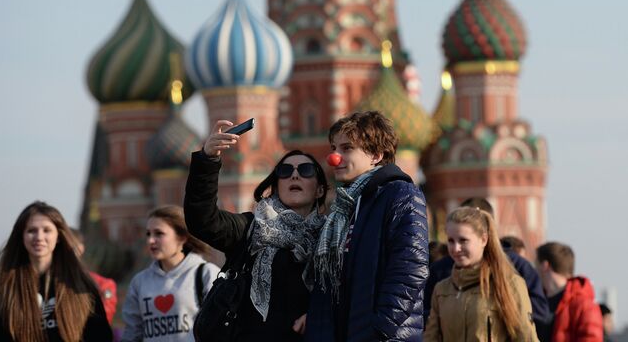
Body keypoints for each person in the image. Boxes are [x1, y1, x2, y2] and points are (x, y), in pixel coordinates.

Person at [184, 120, 329, 342]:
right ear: (275, 186)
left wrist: (321, 314)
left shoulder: (332, 238)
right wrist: (208, 159)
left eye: (306, 170)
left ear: (319, 190)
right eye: (285, 170)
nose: (295, 175)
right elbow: (202, 219)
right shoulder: (250, 229)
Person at [305, 110, 429, 342]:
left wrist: (380, 329)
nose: (335, 157)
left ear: (376, 155)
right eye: (334, 148)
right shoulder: (343, 207)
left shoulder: (400, 195)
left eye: (347, 148)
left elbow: (410, 269)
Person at [0, 201, 112, 341]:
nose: (39, 237)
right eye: (31, 231)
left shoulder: (81, 288)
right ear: (21, 236)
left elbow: (100, 336)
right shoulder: (2, 291)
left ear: (58, 236)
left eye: (46, 230)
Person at [423, 197, 550, 341]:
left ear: (483, 239)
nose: (456, 248)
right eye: (451, 241)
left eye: (463, 240)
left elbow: (526, 337)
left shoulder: (510, 284)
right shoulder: (442, 290)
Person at [121, 205, 219, 342]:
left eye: (159, 233)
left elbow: (220, 328)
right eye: (148, 234)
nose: (151, 240)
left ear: (182, 238)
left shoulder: (206, 274)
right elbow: (131, 333)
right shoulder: (139, 282)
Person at [536, 241, 603, 342]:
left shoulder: (585, 306)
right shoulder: (536, 302)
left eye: (535, 264)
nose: (532, 270)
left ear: (545, 266)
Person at [72, 227, 118, 325]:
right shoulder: (42, 283)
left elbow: (103, 318)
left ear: (80, 249)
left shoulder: (103, 285)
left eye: (70, 246)